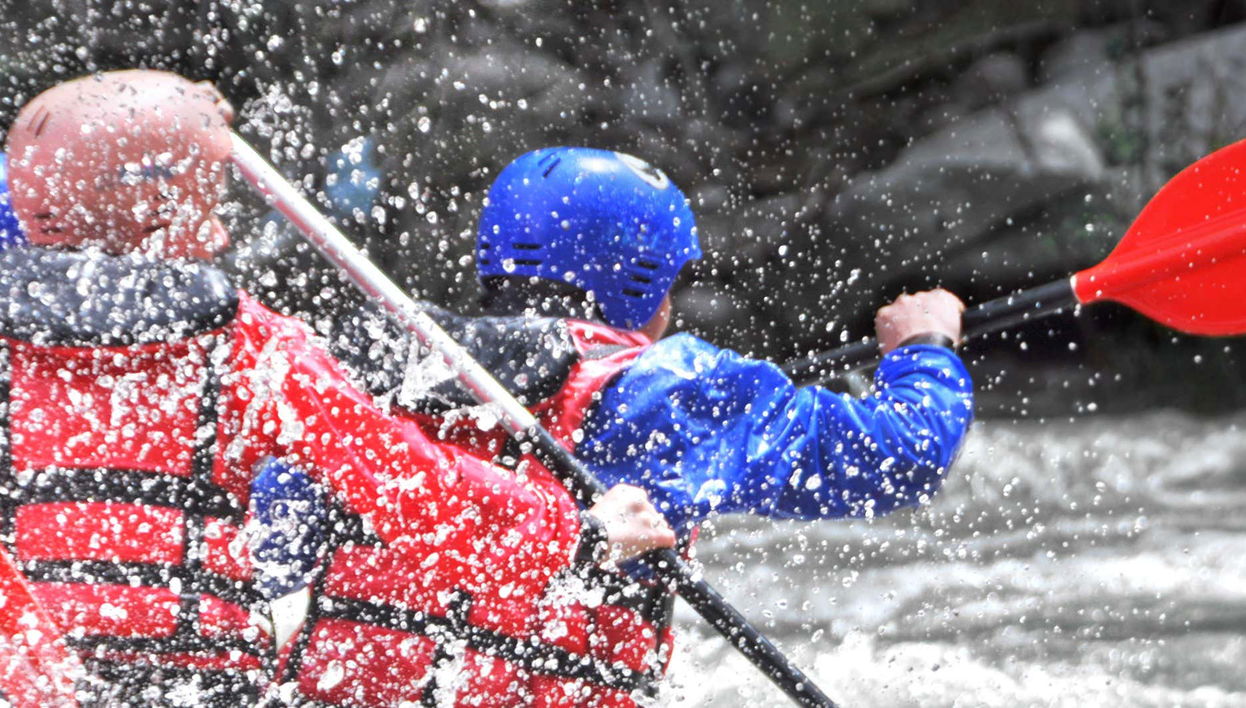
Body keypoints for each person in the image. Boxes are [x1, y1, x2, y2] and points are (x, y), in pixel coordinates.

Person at [0, 72, 672, 706]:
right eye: (207, 200)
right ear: (158, 207)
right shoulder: (249, 346)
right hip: (196, 683)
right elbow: (414, 493)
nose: (224, 231)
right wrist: (581, 534)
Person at [273, 146, 974, 705]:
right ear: (642, 287)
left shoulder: (386, 377)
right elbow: (901, 455)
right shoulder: (676, 389)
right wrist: (924, 348)